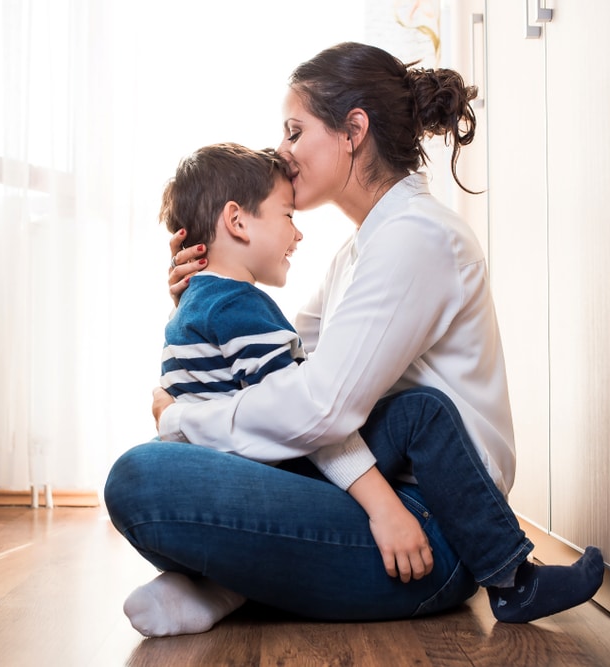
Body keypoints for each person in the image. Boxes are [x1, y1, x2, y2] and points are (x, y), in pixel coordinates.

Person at [105, 41, 604, 637]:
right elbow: (289, 366)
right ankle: (224, 588)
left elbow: (319, 404)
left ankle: (508, 576)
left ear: (352, 131)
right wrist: (203, 295)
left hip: (433, 524)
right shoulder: (360, 251)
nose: (283, 153)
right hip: (376, 495)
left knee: (143, 479)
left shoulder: (413, 239)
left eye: (295, 132)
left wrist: (188, 418)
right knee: (160, 472)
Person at [124, 142, 434, 636]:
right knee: (422, 412)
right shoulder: (237, 308)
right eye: (287, 215)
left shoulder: (197, 313)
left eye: (296, 130)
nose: (297, 230)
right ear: (238, 222)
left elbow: (299, 398)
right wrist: (384, 506)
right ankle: (227, 587)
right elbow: (304, 413)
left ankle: (222, 587)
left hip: (245, 477)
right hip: (269, 474)